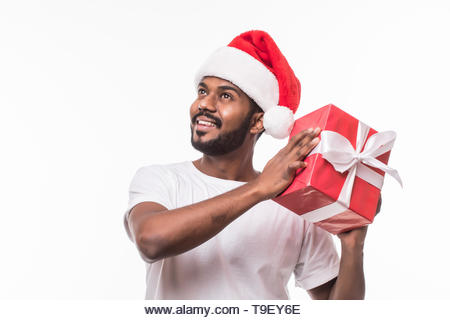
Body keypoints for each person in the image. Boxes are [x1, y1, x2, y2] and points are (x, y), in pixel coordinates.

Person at [123, 30, 371, 300]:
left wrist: (353, 243)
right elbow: (151, 241)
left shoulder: (294, 202)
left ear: (257, 122)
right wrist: (259, 188)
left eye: (225, 96)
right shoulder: (161, 179)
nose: (203, 104)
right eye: (202, 91)